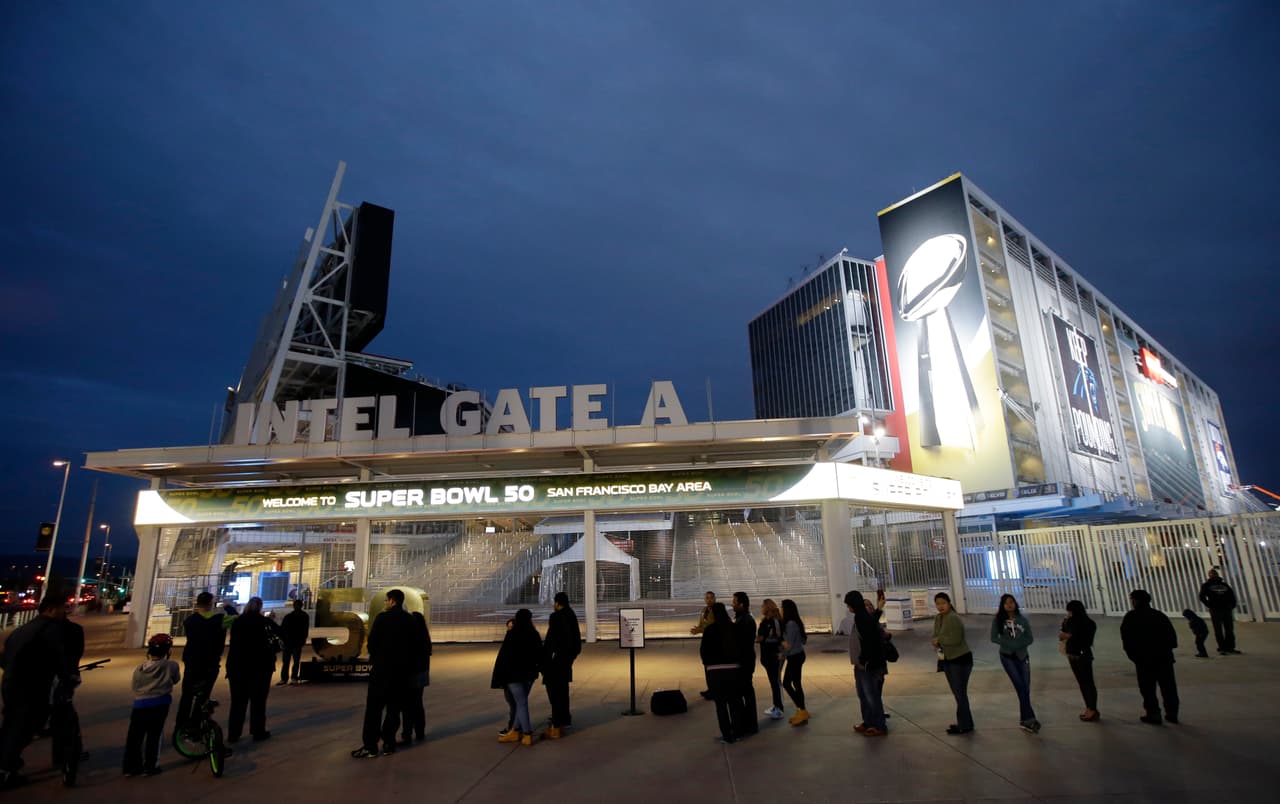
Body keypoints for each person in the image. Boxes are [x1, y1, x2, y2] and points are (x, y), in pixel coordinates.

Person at [0, 595, 77, 788]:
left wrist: (13, 673)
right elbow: (59, 657)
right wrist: (67, 678)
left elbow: (5, 656)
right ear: (51, 609)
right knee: (24, 727)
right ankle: (5, 770)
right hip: (30, 688)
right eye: (62, 608)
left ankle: (8, 764)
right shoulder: (50, 630)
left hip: (11, 684)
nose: (64, 612)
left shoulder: (23, 630)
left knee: (11, 725)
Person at [352, 589, 417, 758]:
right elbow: (413, 647)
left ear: (392, 601)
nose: (386, 603)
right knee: (394, 709)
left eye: (387, 601)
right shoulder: (409, 620)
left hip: (381, 670)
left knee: (374, 709)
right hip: (401, 672)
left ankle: (370, 745)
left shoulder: (382, 618)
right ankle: (389, 743)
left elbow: (372, 643)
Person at [122, 634, 181, 777]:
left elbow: (134, 686)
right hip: (160, 703)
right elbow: (176, 679)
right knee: (154, 735)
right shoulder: (171, 665)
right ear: (167, 651)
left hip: (140, 705)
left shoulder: (139, 669)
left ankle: (131, 767)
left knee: (135, 736)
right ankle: (151, 766)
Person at [1121, 589, 1179, 725]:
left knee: (1147, 689)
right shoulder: (1159, 615)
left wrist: (1134, 656)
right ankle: (1172, 713)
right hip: (1164, 658)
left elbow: (1126, 639)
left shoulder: (1131, 617)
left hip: (1144, 659)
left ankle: (1153, 713)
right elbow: (1172, 639)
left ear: (1136, 601)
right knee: (1168, 687)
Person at [225, 596, 277, 744]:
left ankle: (233, 734)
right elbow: (279, 636)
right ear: (260, 607)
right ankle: (257, 730)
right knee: (258, 701)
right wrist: (271, 620)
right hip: (260, 667)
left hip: (238, 667)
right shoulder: (264, 622)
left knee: (237, 703)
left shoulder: (238, 622)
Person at [177, 592, 230, 729]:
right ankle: (196, 724)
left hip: (192, 660)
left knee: (187, 695)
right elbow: (237, 618)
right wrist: (227, 607)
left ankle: (181, 725)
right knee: (204, 696)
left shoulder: (189, 621)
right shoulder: (220, 620)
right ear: (211, 603)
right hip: (210, 662)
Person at [491, 608, 541, 746]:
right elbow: (539, 654)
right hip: (530, 675)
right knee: (521, 703)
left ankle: (526, 733)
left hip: (514, 675)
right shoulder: (534, 634)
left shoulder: (512, 634)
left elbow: (504, 656)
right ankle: (515, 730)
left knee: (521, 703)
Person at [990, 594, 1040, 733]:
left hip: (1022, 656)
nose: (1009, 605)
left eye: (1011, 602)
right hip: (1007, 657)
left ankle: (1024, 720)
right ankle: (1030, 719)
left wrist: (1018, 644)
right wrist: (1008, 643)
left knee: (1025, 688)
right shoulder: (998, 621)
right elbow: (993, 637)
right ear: (1002, 606)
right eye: (1006, 603)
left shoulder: (1022, 620)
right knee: (1020, 686)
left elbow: (1030, 638)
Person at [845, 590, 888, 737]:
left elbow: (869, 642)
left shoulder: (861, 618)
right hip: (861, 664)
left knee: (871, 695)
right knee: (863, 694)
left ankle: (879, 725)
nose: (848, 608)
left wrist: (863, 660)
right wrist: (879, 607)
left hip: (867, 665)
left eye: (848, 604)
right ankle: (868, 722)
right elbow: (873, 620)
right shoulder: (863, 617)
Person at [931, 592, 974, 735]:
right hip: (948, 659)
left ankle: (965, 724)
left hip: (960, 659)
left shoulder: (953, 618)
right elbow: (936, 634)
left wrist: (939, 641)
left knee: (960, 693)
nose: (940, 606)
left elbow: (956, 639)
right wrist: (936, 641)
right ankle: (965, 723)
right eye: (938, 603)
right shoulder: (939, 618)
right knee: (958, 693)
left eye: (943, 603)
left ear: (949, 603)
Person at [541, 591, 581, 739]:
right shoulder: (571, 614)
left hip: (556, 661)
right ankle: (565, 718)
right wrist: (572, 655)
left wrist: (546, 659)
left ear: (557, 603)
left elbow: (551, 641)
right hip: (567, 659)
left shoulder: (556, 617)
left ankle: (557, 723)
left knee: (554, 691)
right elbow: (575, 639)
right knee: (563, 690)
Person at [700, 602, 740, 744]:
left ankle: (727, 734)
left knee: (721, 705)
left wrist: (708, 664)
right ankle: (736, 732)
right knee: (734, 702)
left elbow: (703, 651)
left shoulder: (710, 630)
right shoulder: (734, 628)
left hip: (715, 671)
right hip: (733, 669)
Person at [1059, 600, 1099, 722]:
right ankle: (1090, 708)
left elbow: (1069, 635)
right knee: (1087, 683)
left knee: (1085, 683)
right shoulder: (1090, 622)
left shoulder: (1076, 622)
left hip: (1077, 655)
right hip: (1084, 655)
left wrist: (1068, 634)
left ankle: (1091, 709)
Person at [400, 610, 432, 744]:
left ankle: (407, 734)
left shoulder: (410, 637)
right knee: (418, 703)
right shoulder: (425, 637)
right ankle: (420, 731)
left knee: (407, 706)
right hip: (422, 674)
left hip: (411, 674)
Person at [730, 592, 757, 738]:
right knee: (747, 692)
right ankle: (750, 724)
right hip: (747, 660)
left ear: (741, 604)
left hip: (744, 662)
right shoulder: (744, 619)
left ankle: (747, 725)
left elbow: (741, 643)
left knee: (744, 692)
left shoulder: (744, 621)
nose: (732, 604)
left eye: (734, 602)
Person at [779, 599, 808, 726]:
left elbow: (789, 645)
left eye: (782, 607)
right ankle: (802, 711)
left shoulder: (790, 624)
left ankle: (802, 710)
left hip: (795, 657)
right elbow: (801, 640)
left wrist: (782, 654)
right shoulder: (795, 622)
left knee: (786, 683)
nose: (780, 610)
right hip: (797, 655)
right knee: (796, 683)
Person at [1198, 568, 1240, 655]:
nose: (1214, 575)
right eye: (1212, 574)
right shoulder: (1207, 585)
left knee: (1228, 629)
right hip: (1216, 610)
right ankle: (1222, 647)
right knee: (1219, 630)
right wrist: (1210, 605)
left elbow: (1231, 595)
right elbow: (1202, 597)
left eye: (1214, 574)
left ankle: (1229, 647)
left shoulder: (1224, 585)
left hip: (1225, 609)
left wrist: (1232, 605)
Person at [756, 599, 784, 720]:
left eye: (762, 606)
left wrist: (764, 640)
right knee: (773, 682)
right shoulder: (765, 621)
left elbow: (778, 639)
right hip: (766, 656)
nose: (761, 608)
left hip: (774, 656)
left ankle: (779, 708)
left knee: (776, 682)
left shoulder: (775, 621)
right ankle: (776, 705)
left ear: (767, 607)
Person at [690, 591, 716, 699]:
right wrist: (698, 629)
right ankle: (710, 688)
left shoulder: (716, 611)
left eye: (711, 598)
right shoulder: (704, 610)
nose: (709, 600)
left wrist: (700, 630)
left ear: (715, 599)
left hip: (714, 641)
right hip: (706, 640)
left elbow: (713, 626)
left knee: (712, 666)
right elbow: (703, 624)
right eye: (707, 598)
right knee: (706, 665)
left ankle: (714, 690)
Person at [278, 600, 310, 686]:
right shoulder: (304, 616)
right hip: (294, 641)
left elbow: (282, 629)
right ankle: (292, 677)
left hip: (291, 641)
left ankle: (286, 678)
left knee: (289, 661)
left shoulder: (289, 616)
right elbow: (305, 629)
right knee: (292, 660)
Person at [498, 619, 518, 736]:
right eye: (508, 627)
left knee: (514, 703)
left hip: (513, 678)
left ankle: (514, 727)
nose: (509, 630)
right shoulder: (509, 639)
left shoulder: (511, 641)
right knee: (514, 703)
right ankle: (516, 726)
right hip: (511, 677)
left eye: (511, 627)